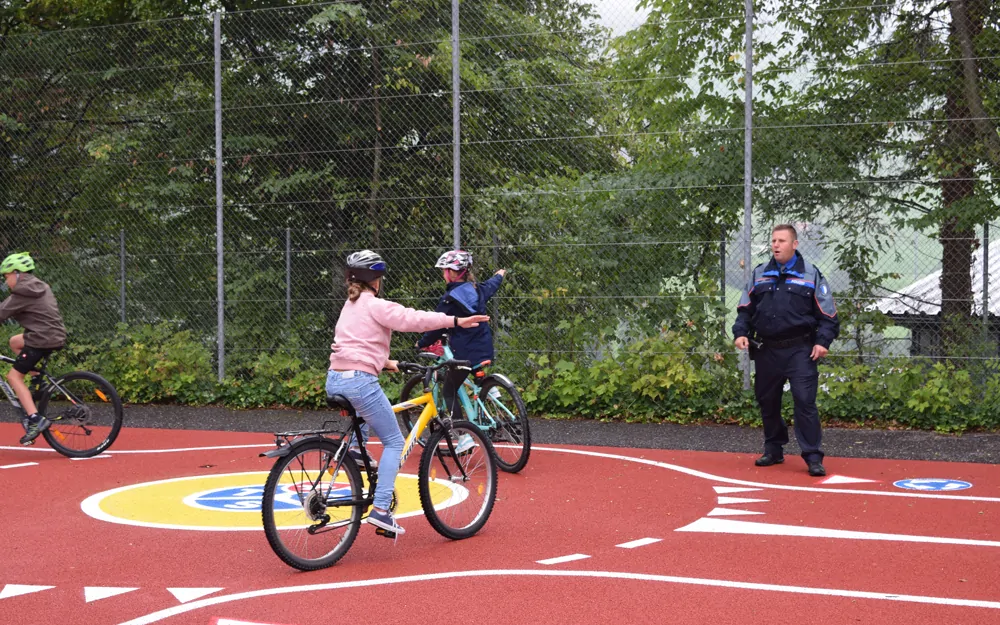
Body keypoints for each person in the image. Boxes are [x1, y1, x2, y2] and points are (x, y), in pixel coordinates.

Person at [327, 250, 488, 536]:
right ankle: (380, 511)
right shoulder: (375, 304)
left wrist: (386, 362)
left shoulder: (348, 306)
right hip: (359, 380)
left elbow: (354, 343)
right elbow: (411, 319)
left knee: (365, 412)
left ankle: (354, 450)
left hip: (336, 378)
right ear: (375, 280)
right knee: (393, 442)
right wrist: (454, 321)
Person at [732, 225, 839, 477]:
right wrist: (740, 333)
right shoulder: (759, 273)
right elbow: (745, 309)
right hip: (767, 349)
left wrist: (822, 342)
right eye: (773, 241)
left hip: (800, 350)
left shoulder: (811, 275)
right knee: (767, 401)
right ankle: (774, 448)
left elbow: (828, 315)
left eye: (781, 241)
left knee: (804, 401)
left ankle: (813, 456)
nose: (776, 245)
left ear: (795, 244)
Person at [415, 250, 505, 423]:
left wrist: (422, 342)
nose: (443, 274)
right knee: (474, 370)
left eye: (444, 270)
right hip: (485, 348)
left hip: (464, 354)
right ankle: (489, 389)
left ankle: (464, 436)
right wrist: (499, 275)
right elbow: (492, 284)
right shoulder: (478, 290)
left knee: (449, 391)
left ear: (453, 273)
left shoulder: (449, 300)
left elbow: (437, 324)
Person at [0, 252, 67, 446]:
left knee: (13, 377)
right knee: (14, 341)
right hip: (53, 335)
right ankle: (37, 377)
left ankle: (35, 419)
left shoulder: (21, 292)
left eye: (7, 276)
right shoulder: (40, 285)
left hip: (41, 339)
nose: (6, 281)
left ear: (17, 273)